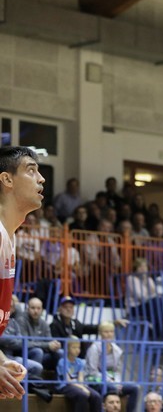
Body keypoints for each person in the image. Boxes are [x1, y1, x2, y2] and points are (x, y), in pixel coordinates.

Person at [0, 146, 44, 399]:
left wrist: (1, 360)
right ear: (6, 179)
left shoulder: (10, 236)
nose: (41, 178)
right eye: (31, 170)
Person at [57, 338, 103, 412]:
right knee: (82, 395)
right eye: (74, 347)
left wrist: (83, 387)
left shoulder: (80, 362)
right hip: (65, 386)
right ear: (67, 349)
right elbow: (68, 381)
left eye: (78, 347)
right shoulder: (62, 362)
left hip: (79, 385)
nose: (77, 350)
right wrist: (83, 389)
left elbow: (80, 378)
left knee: (96, 396)